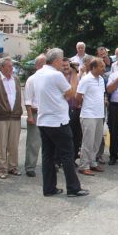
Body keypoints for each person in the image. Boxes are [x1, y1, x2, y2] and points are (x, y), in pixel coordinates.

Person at [34, 48, 88, 197]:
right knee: (67, 155)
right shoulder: (56, 75)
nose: (64, 63)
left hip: (44, 120)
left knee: (47, 155)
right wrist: (75, 75)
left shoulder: (38, 73)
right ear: (57, 60)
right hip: (57, 121)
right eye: (63, 59)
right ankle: (73, 188)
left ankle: (49, 188)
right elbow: (71, 93)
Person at [0, 56, 22, 179]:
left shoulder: (16, 80)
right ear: (1, 67)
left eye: (12, 66)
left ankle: (13, 166)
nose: (12, 68)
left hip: (15, 116)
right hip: (1, 117)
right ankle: (2, 169)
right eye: (9, 66)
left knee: (13, 143)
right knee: (1, 144)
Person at [76, 57, 106, 176]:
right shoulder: (86, 79)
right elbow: (78, 97)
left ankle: (92, 162)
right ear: (93, 68)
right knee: (88, 141)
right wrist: (81, 106)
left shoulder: (101, 79)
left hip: (99, 114)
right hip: (88, 115)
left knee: (97, 141)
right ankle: (83, 165)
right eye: (101, 67)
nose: (103, 69)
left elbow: (102, 95)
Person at [23, 54, 46, 177]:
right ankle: (30, 167)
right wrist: (30, 116)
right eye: (43, 64)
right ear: (37, 65)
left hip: (47, 113)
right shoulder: (31, 79)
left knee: (48, 142)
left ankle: (48, 164)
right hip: (36, 112)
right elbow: (27, 99)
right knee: (33, 142)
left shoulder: (48, 78)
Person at [62, 58, 81, 162]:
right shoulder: (59, 78)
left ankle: (72, 159)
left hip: (75, 109)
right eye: (63, 66)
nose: (65, 68)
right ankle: (60, 159)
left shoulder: (76, 78)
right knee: (64, 136)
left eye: (67, 66)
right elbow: (69, 94)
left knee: (75, 135)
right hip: (64, 111)